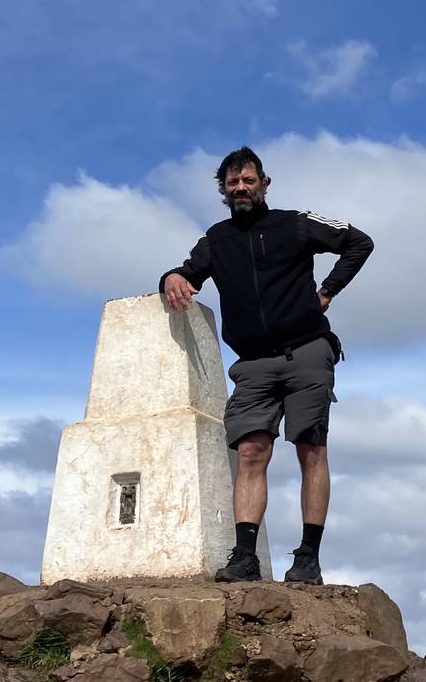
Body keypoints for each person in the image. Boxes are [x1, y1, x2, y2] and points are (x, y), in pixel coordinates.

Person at [159, 146, 373, 584]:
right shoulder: (216, 239)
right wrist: (170, 278)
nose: (241, 188)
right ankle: (245, 557)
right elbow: (187, 273)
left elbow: (358, 242)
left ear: (264, 184)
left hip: (308, 350)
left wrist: (328, 291)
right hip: (252, 363)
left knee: (311, 450)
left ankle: (308, 559)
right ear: (224, 190)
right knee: (252, 452)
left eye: (248, 181)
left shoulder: (295, 223)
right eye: (232, 183)